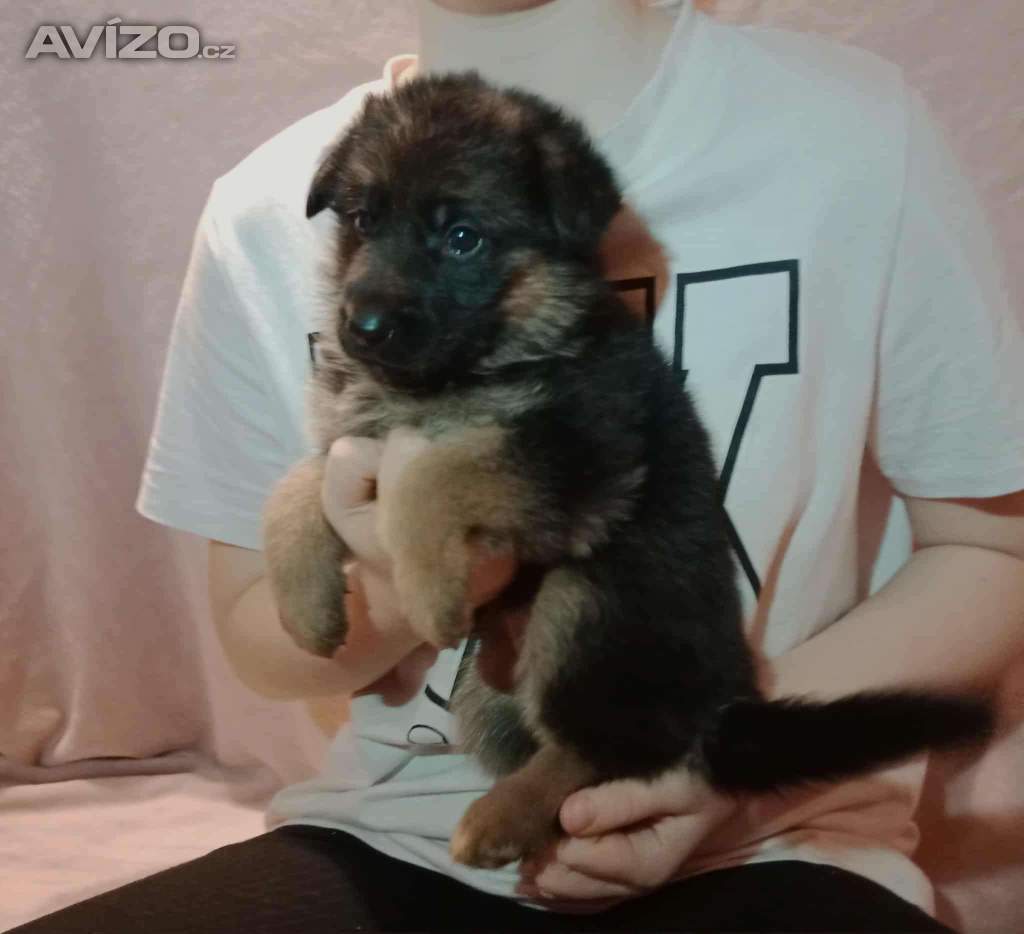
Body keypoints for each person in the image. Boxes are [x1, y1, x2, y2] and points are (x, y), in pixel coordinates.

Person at [17, 1, 1024, 931]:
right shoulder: (263, 208)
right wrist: (404, 578)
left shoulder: (849, 135)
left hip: (777, 843)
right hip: (395, 833)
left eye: (460, 235)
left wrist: (710, 759)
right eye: (362, 224)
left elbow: (991, 549)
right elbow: (262, 632)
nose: (376, 285)